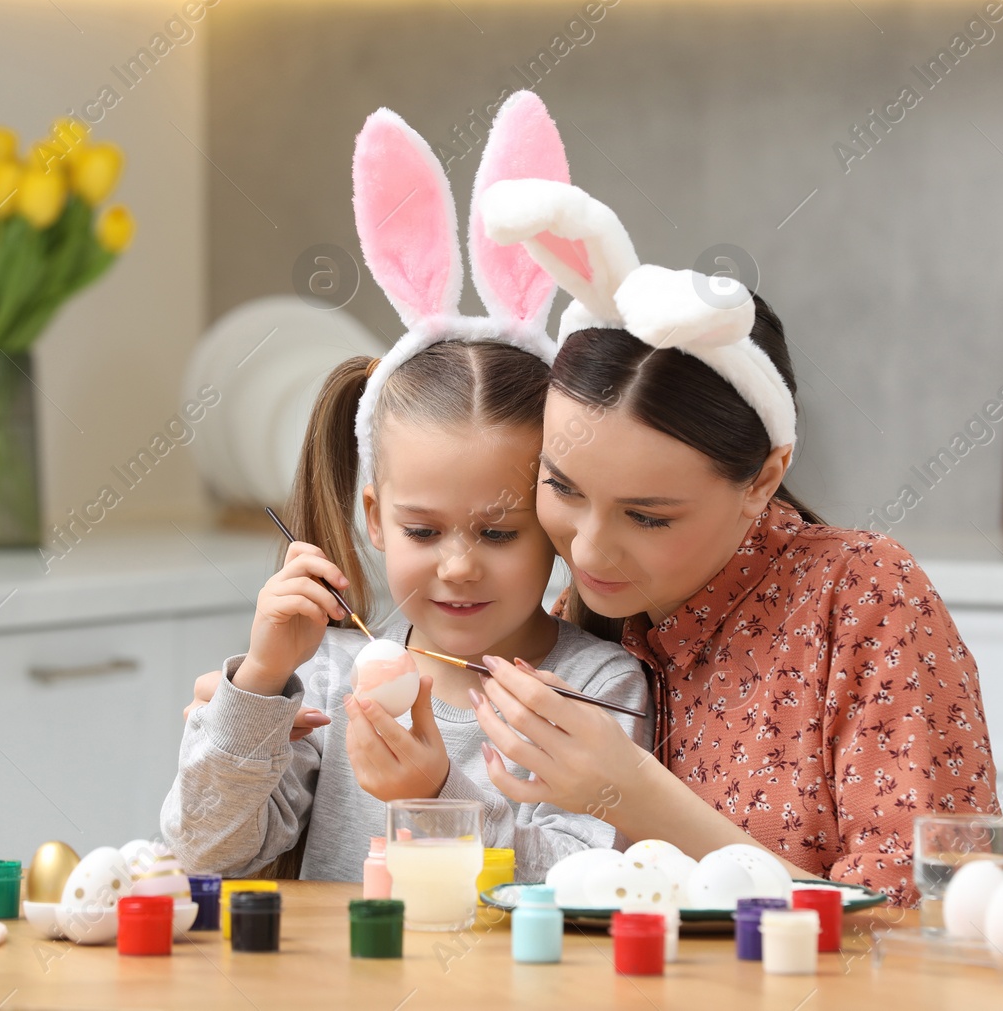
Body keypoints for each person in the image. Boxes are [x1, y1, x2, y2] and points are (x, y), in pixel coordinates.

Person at [463, 178, 1000, 905]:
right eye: (562, 488)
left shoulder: (866, 595)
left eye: (648, 517)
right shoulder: (590, 613)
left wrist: (634, 796)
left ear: (765, 476)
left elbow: (928, 920)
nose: (588, 551)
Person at [161, 97, 650, 883]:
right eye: (425, 531)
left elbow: (575, 887)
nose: (457, 567)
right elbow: (206, 851)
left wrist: (436, 794)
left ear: (554, 524)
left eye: (498, 533)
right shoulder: (325, 676)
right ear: (376, 519)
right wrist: (255, 683)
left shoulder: (593, 690)